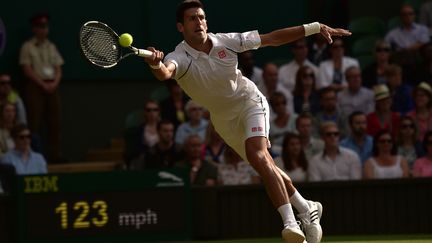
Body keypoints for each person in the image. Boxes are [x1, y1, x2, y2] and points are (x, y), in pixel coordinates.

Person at [142, 1, 351, 242]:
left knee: (258, 155)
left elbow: (272, 38)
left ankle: (290, 222)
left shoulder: (227, 41)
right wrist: (156, 63)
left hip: (249, 102)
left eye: (201, 17)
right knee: (265, 165)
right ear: (181, 26)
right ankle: (307, 207)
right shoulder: (177, 56)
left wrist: (314, 27)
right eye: (191, 19)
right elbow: (166, 73)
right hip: (223, 119)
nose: (198, 22)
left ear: (206, 22)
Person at [19, 13, 64, 163]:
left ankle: (55, 156)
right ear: (34, 29)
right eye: (40, 27)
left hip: (52, 86)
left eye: (45, 26)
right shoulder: (28, 46)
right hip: (35, 86)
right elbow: (27, 69)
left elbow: (58, 67)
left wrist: (54, 83)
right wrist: (42, 84)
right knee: (34, 121)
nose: (44, 30)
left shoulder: (51, 46)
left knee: (55, 122)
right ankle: (33, 156)